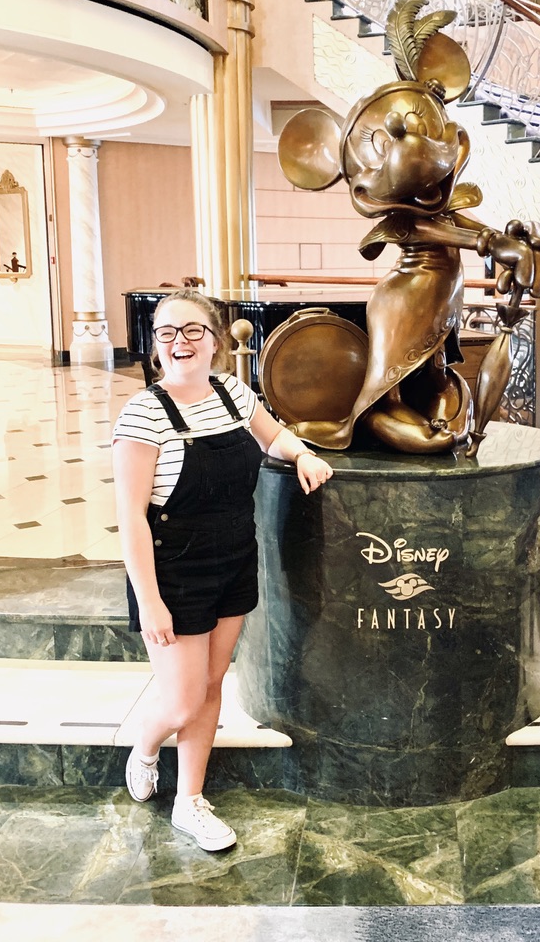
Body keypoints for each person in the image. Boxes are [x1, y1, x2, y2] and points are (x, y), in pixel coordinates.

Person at [112, 288, 333, 852]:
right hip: (171, 568)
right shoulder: (142, 413)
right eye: (166, 333)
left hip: (233, 557)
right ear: (155, 346)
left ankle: (190, 800)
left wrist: (303, 453)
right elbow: (132, 517)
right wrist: (151, 600)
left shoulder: (234, 393)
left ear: (215, 340)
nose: (179, 341)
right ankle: (144, 742)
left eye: (192, 330)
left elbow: (274, 435)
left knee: (210, 686)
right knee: (182, 699)